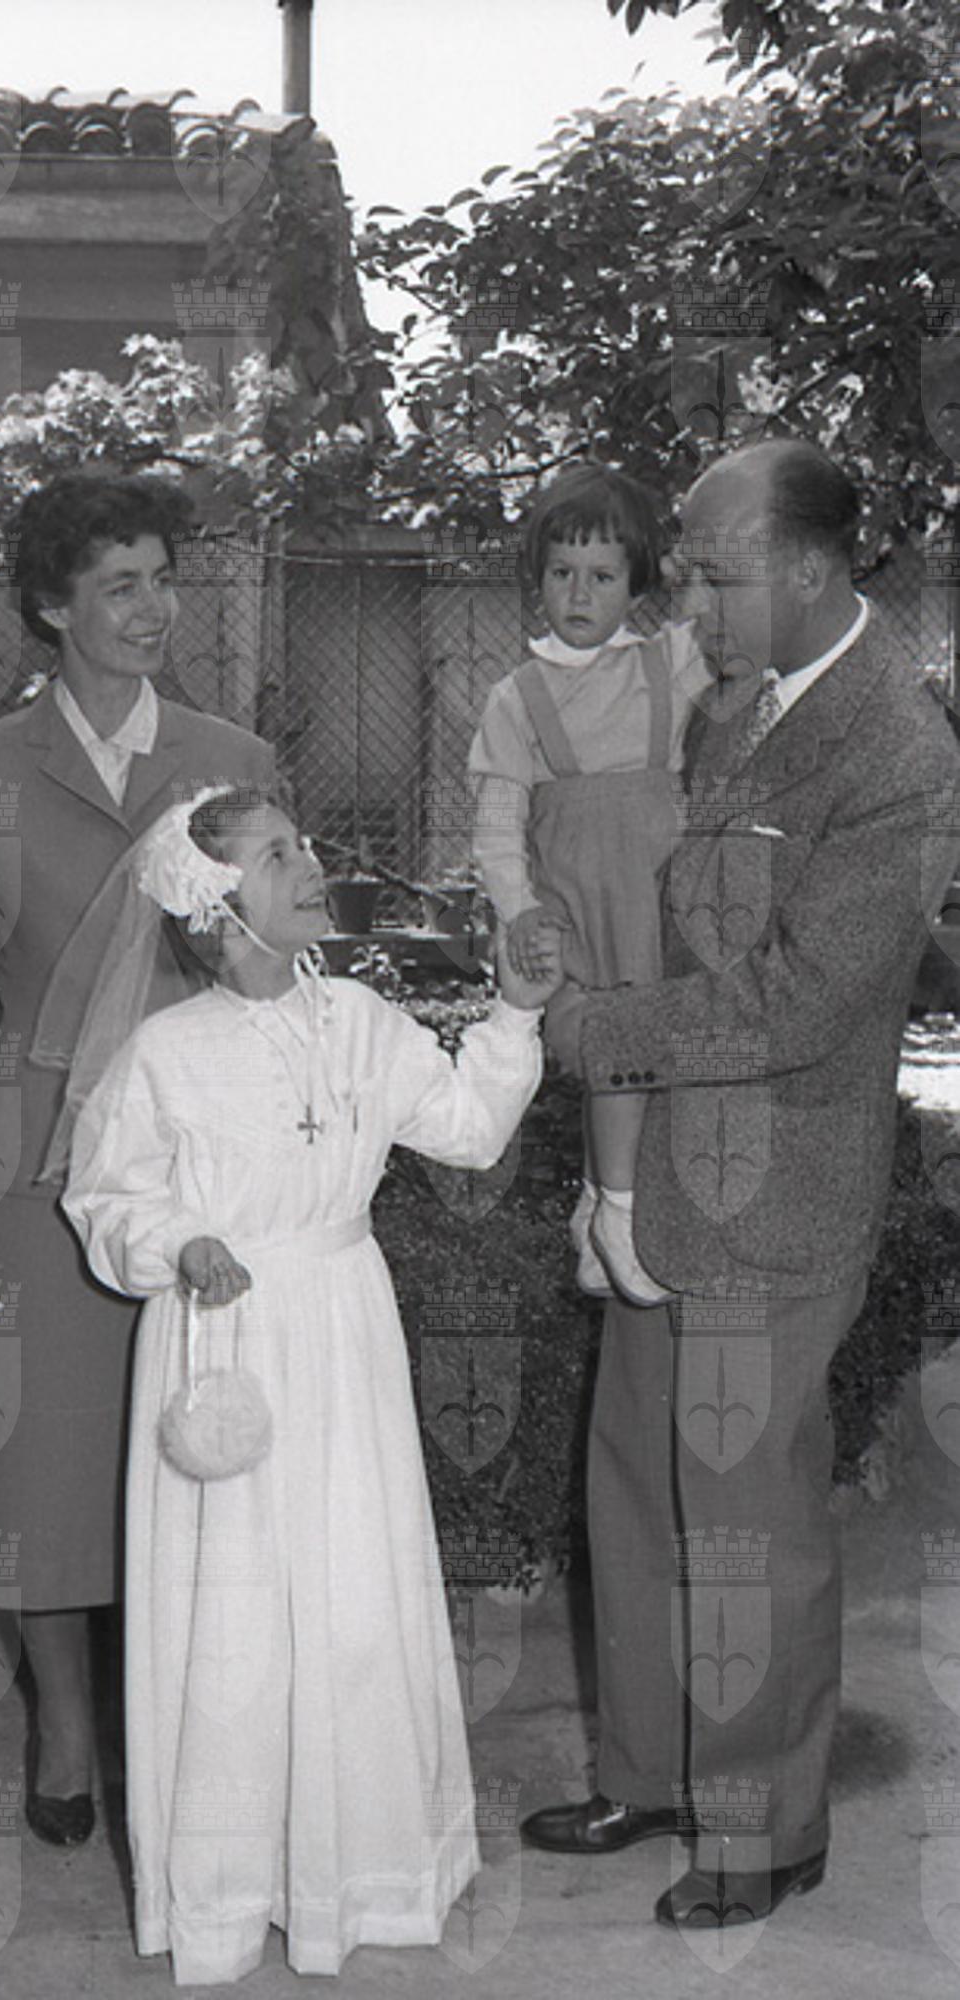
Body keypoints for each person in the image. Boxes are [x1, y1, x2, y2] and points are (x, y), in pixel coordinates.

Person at [521, 438, 960, 1929]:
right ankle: (651, 1771)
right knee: (637, 1483)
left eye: (713, 575)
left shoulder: (899, 749)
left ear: (811, 569)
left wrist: (597, 1033)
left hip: (779, 1191)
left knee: (746, 1520)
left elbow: (802, 999)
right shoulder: (730, 708)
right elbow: (684, 933)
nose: (685, 603)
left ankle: (764, 1827)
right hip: (669, 1170)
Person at [60, 785, 557, 1985]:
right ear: (217, 910)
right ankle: (229, 1889)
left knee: (350, 1582)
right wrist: (180, 1241)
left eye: (303, 843)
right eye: (277, 853)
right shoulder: (163, 1054)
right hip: (223, 1343)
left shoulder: (363, 1019)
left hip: (342, 1327)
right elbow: (106, 1197)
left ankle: (363, 1869)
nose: (310, 862)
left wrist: (514, 1011)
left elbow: (468, 1126)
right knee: (230, 1608)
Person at [0, 472, 275, 1847]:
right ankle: (63, 1723)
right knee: (41, 1466)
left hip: (205, 1157)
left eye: (165, 578)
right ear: (52, 607)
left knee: (212, 1444)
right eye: (121, 584)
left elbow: (277, 963)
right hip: (34, 1166)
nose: (154, 607)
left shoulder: (233, 758)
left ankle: (194, 1729)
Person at [470, 462, 710, 1305]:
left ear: (637, 584)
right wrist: (519, 913)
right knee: (616, 1052)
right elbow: (498, 828)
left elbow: (715, 609)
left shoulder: (668, 664)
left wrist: (676, 563)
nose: (579, 594)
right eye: (561, 573)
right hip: (580, 908)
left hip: (658, 901)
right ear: (536, 581)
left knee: (653, 1058)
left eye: (604, 576)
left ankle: (594, 1204)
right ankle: (619, 1212)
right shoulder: (516, 698)